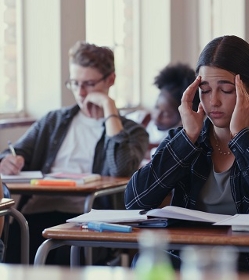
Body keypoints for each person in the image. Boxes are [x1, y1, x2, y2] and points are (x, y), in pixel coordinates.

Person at [125, 35, 249, 272]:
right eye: (205, 90)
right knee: (145, 264)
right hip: (187, 260)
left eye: (226, 90)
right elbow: (134, 200)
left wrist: (242, 136)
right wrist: (188, 139)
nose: (213, 101)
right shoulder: (187, 137)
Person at [0, 41, 149, 264]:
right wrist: (8, 160)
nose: (80, 93)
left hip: (89, 218)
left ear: (110, 80)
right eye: (74, 83)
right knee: (12, 245)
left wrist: (109, 108)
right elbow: (13, 152)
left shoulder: (132, 131)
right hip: (37, 213)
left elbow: (122, 168)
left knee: (64, 253)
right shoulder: (54, 121)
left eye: (88, 84)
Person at [128, 63, 200, 158]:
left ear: (181, 118)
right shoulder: (140, 119)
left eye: (166, 114)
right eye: (157, 107)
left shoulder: (177, 139)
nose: (157, 116)